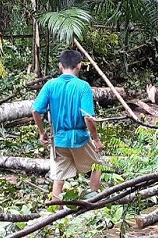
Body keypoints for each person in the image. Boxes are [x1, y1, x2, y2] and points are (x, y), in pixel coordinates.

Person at [32, 50, 104, 201]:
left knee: (59, 178)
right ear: (79, 66)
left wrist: (41, 132)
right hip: (80, 138)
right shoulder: (83, 87)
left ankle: (54, 213)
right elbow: (88, 118)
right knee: (97, 166)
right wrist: (96, 139)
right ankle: (93, 203)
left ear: (60, 66)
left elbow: (36, 111)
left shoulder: (50, 85)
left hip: (58, 139)